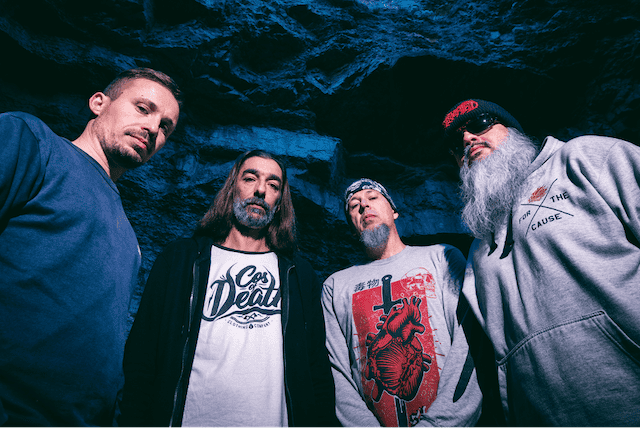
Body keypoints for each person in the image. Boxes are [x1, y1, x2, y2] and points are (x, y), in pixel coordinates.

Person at [0, 67, 182, 426]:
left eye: (165, 127)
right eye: (143, 108)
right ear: (99, 103)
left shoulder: (130, 239)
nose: (152, 128)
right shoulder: (33, 141)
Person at [443, 98, 640, 426]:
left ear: (513, 131)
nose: (467, 139)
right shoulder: (478, 247)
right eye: (455, 142)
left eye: (480, 124)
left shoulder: (584, 157)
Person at [119, 149, 339, 427]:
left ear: (280, 202)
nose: (260, 190)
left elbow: (317, 369)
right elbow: (142, 356)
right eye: (250, 178)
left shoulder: (299, 274)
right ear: (232, 187)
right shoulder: (181, 260)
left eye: (273, 185)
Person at [321, 178, 482, 428]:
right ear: (351, 227)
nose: (364, 205)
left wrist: (439, 424)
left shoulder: (442, 257)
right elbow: (336, 375)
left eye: (373, 197)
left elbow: (470, 345)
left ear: (394, 211)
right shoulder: (335, 287)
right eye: (354, 205)